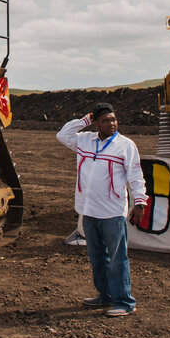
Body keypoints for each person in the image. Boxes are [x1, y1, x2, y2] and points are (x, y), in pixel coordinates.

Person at [56, 103, 148, 317]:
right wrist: (85, 120)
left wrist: (140, 203)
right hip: (88, 210)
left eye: (114, 119)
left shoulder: (126, 145)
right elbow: (62, 134)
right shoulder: (84, 140)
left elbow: (135, 177)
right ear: (96, 123)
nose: (112, 124)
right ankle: (105, 296)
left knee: (118, 258)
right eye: (106, 120)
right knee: (97, 257)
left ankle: (125, 302)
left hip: (113, 212)